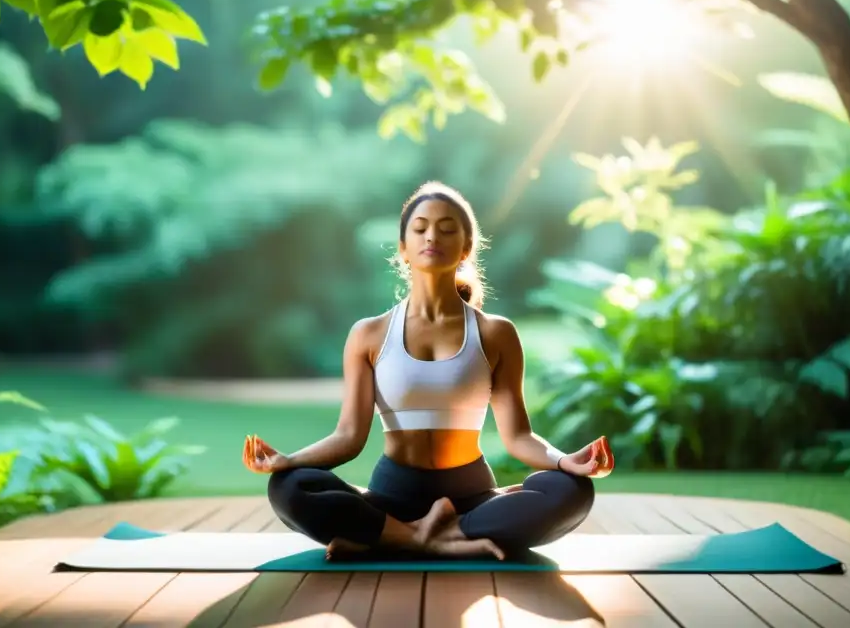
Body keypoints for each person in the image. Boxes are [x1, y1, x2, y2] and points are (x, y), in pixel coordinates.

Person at [242, 181, 614, 560]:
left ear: (466, 247)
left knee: (574, 491)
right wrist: (290, 461)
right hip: (391, 499)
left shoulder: (495, 333)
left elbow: (518, 436)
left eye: (448, 228)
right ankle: (423, 537)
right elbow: (349, 436)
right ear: (403, 248)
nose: (432, 236)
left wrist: (563, 461)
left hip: (471, 502)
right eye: (420, 228)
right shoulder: (369, 334)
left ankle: (401, 536)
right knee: (288, 487)